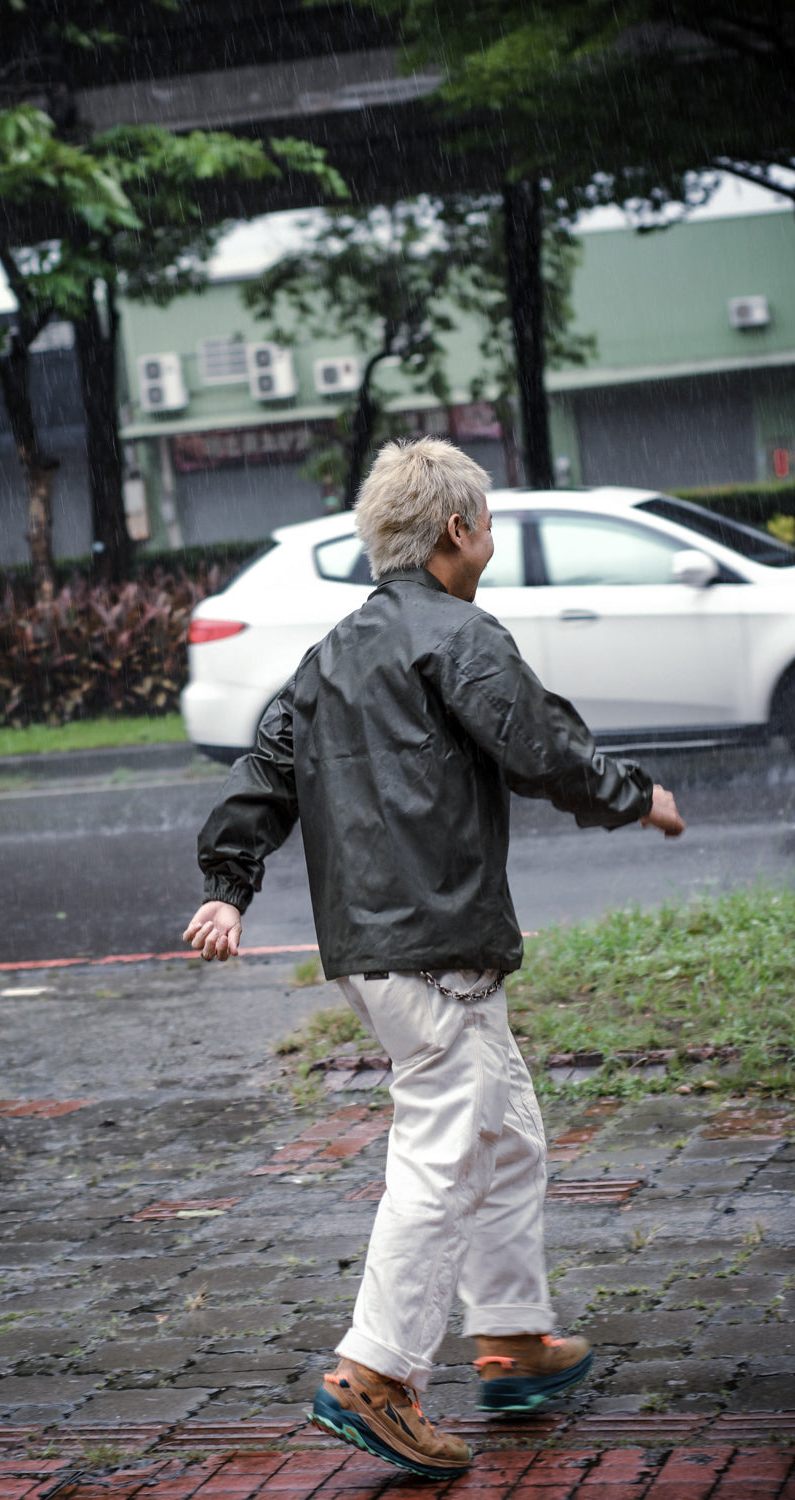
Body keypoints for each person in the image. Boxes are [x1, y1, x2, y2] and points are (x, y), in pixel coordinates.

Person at [183, 437, 685, 1481]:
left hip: (380, 953)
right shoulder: (458, 636)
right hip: (437, 950)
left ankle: (512, 1341)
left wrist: (226, 886)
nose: (491, 537)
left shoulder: (329, 654)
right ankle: (376, 1373)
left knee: (504, 1133)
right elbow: (539, 746)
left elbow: (264, 769)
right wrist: (636, 795)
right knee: (440, 1156)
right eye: (490, 521)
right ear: (457, 531)